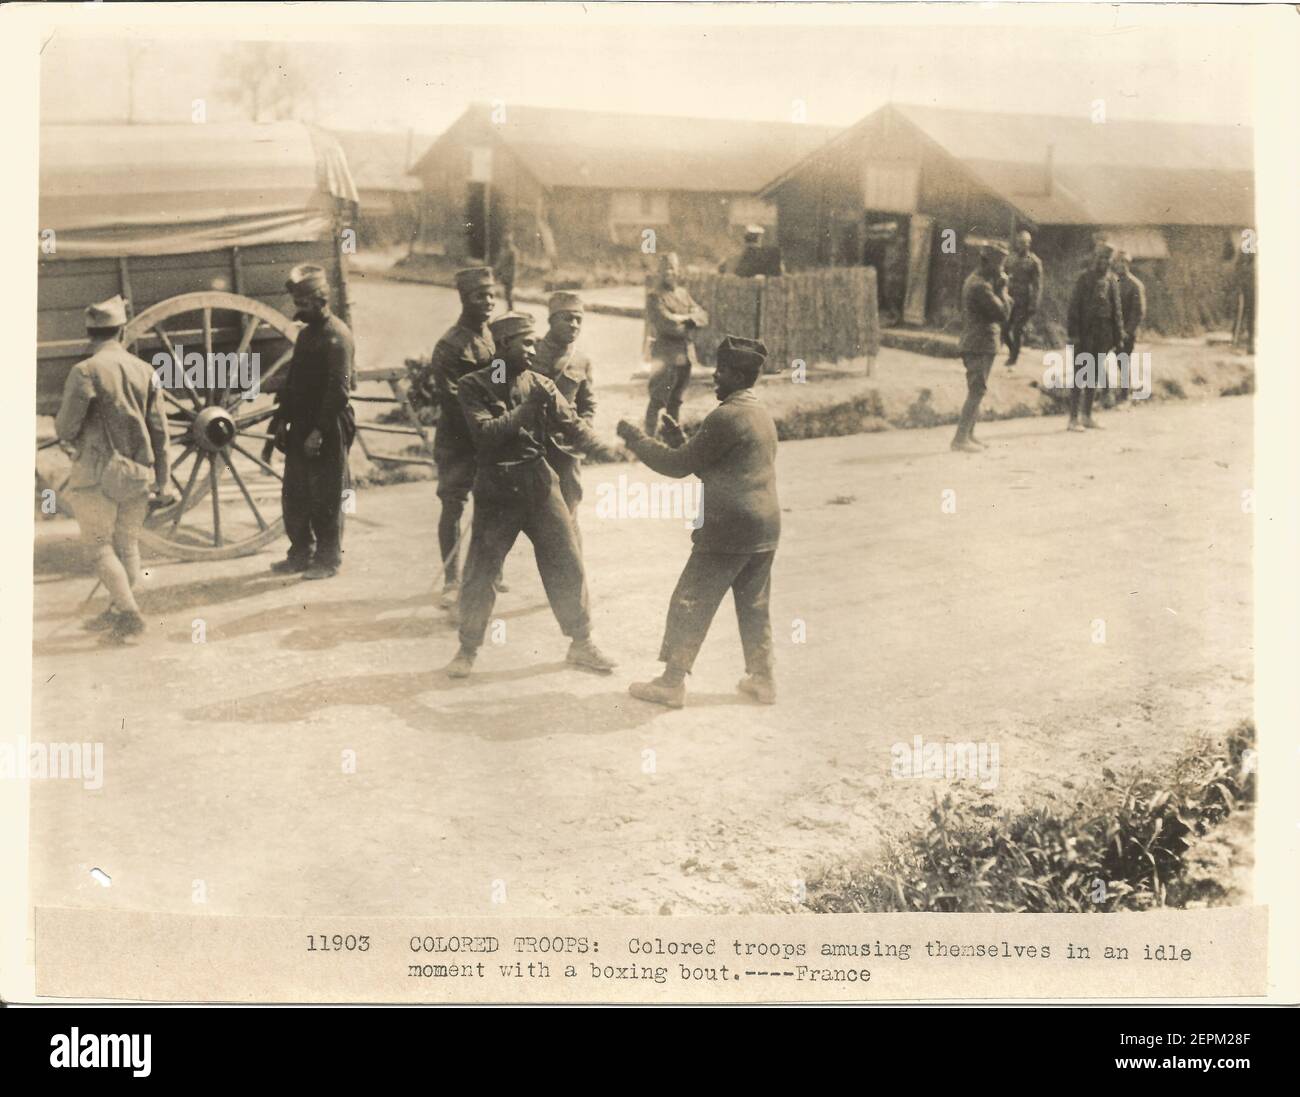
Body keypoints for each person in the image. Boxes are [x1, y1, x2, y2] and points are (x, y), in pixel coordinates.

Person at [446, 313, 618, 679]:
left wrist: (606, 448)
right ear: (504, 346)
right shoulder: (476, 385)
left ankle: (581, 642)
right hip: (497, 488)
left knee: (566, 560)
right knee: (482, 571)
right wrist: (526, 410)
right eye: (526, 343)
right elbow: (486, 433)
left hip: (539, 483)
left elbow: (572, 426)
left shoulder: (538, 383)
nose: (534, 348)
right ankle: (468, 648)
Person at [617, 335, 780, 709]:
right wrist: (682, 439)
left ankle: (671, 683)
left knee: (690, 598)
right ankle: (764, 679)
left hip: (729, 527)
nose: (714, 378)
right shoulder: (760, 413)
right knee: (754, 603)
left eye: (721, 372)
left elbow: (677, 466)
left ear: (738, 375)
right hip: (766, 527)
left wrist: (636, 439)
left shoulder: (725, 416)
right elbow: (723, 468)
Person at [55, 294, 170, 641]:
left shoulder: (84, 371)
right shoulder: (146, 371)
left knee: (99, 547)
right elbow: (160, 432)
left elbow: (65, 428)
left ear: (90, 333)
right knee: (127, 544)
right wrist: (162, 481)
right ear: (122, 331)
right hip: (137, 472)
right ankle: (119, 611)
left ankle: (131, 615)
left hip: (96, 474)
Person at [268, 264, 356, 580]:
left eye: (304, 304)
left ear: (321, 300)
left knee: (327, 495)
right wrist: (281, 421)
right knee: (295, 493)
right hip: (302, 423)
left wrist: (318, 431)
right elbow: (293, 383)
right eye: (297, 303)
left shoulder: (338, 337)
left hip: (329, 424)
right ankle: (300, 553)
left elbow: (339, 391)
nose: (298, 311)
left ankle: (328, 559)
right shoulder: (307, 336)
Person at [423, 267, 498, 607]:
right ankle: (451, 578)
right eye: (480, 295)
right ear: (464, 298)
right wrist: (484, 426)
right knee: (453, 505)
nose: (488, 301)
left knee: (491, 503)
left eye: (492, 294)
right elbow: (452, 399)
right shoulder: (449, 346)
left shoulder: (495, 338)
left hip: (490, 436)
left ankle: (488, 571)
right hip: (458, 441)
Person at [530, 291, 597, 524]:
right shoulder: (531, 351)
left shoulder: (581, 360)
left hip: (566, 449)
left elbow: (588, 403)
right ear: (551, 320)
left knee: (569, 515)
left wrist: (583, 430)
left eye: (579, 319)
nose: (574, 324)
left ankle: (571, 561)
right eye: (567, 318)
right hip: (532, 444)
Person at [952, 243, 1011, 453]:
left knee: (977, 389)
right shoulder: (981, 286)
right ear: (989, 263)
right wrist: (1003, 289)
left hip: (980, 343)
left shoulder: (979, 281)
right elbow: (1003, 313)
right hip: (979, 343)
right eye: (999, 265)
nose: (1001, 269)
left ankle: (969, 434)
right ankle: (960, 439)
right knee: (977, 390)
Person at [644, 252, 708, 437]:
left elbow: (703, 316)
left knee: (676, 400)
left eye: (672, 268)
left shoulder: (683, 294)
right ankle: (647, 439)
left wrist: (685, 318)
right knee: (657, 399)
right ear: (658, 272)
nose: (668, 273)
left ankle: (672, 439)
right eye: (664, 269)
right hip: (665, 355)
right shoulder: (655, 296)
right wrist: (689, 320)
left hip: (684, 355)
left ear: (678, 271)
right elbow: (667, 324)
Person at [1066, 243, 1125, 431]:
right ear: (1095, 259)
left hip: (1104, 333)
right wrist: (1073, 334)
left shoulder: (1112, 280)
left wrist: (1118, 336)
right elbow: (1074, 307)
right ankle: (1073, 419)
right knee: (1080, 375)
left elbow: (1117, 310)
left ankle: (1087, 416)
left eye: (1107, 259)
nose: (1104, 262)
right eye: (1101, 258)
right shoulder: (1084, 279)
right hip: (1085, 333)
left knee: (1094, 374)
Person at [1002, 229, 1042, 367]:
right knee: (1004, 328)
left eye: (1025, 243)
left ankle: (1013, 358)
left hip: (1023, 300)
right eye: (1020, 242)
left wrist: (1033, 304)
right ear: (1017, 243)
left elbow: (1037, 285)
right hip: (1009, 298)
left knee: (1017, 330)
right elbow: (1002, 274)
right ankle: (1013, 349)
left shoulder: (1034, 262)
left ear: (1029, 244)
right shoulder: (1010, 258)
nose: (1022, 245)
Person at [1111, 250, 1146, 403]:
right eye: (1118, 263)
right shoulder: (1112, 282)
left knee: (1122, 361)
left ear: (1128, 264)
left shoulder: (1135, 285)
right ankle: (1106, 393)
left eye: (1123, 263)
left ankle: (1125, 394)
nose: (1120, 266)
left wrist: (1128, 331)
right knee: (1097, 359)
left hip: (1126, 331)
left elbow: (1138, 311)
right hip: (1111, 329)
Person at [494, 230, 519, 311]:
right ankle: (509, 309)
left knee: (508, 294)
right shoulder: (505, 251)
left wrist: (508, 275)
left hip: (509, 276)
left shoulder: (512, 251)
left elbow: (513, 266)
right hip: (505, 275)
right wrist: (497, 272)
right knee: (507, 294)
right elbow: (500, 264)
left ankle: (511, 310)